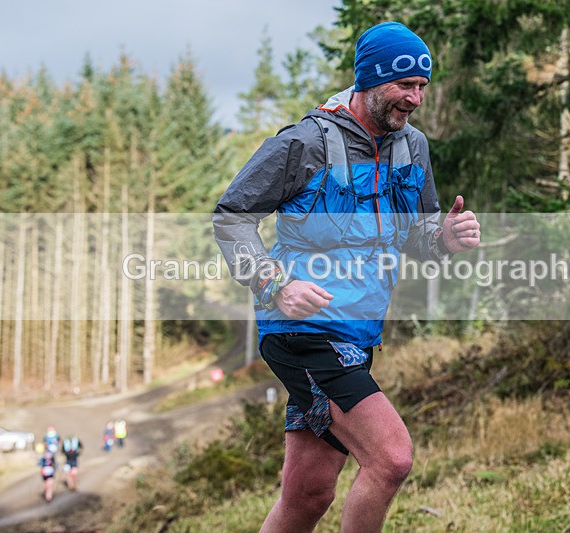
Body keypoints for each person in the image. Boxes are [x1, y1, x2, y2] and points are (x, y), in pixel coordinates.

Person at [214, 21, 480, 532]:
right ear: (370, 79)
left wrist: (445, 238)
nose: (416, 98)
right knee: (391, 459)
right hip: (301, 331)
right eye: (405, 85)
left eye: (422, 86)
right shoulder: (306, 143)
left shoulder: (413, 147)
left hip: (356, 335)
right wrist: (273, 283)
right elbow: (232, 217)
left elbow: (418, 237)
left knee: (307, 495)